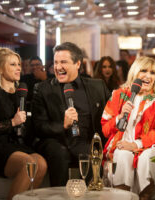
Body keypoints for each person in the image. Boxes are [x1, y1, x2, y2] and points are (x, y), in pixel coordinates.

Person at [31, 42, 110, 186]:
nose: (58, 67)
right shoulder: (42, 89)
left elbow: (110, 115)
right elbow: (38, 126)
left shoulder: (97, 86)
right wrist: (63, 125)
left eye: (63, 62)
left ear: (77, 64)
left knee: (91, 153)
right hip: (57, 141)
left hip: (87, 141)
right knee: (60, 153)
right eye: (55, 62)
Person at [101, 56, 155, 200]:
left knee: (146, 158)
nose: (148, 76)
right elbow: (105, 130)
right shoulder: (118, 95)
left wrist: (136, 144)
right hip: (122, 145)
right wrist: (120, 116)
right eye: (144, 71)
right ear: (135, 73)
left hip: (152, 146)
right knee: (123, 155)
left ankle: (145, 196)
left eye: (153, 72)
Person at [0, 47, 47, 200]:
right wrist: (12, 122)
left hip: (15, 144)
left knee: (41, 163)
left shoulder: (21, 92)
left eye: (19, 64)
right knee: (29, 163)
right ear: (0, 69)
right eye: (13, 64)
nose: (19, 68)